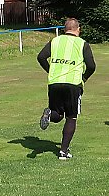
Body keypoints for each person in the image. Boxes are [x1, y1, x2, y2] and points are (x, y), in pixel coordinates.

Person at [37, 17, 96, 160]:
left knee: (57, 115)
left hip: (55, 82)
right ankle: (63, 151)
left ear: (65, 29)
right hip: (73, 84)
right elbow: (92, 66)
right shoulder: (83, 44)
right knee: (71, 117)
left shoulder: (55, 41)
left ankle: (49, 114)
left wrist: (51, 70)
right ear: (78, 29)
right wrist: (84, 77)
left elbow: (41, 57)